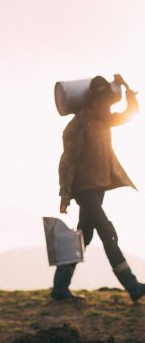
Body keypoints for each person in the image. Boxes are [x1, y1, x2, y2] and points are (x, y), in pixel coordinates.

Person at [53, 74, 145, 303]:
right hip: (85, 190)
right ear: (94, 101)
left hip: (99, 187)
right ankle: (133, 287)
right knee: (107, 232)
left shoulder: (104, 119)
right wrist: (65, 194)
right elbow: (68, 162)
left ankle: (60, 288)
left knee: (84, 236)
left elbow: (130, 114)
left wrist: (127, 91)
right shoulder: (80, 125)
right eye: (104, 102)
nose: (107, 106)